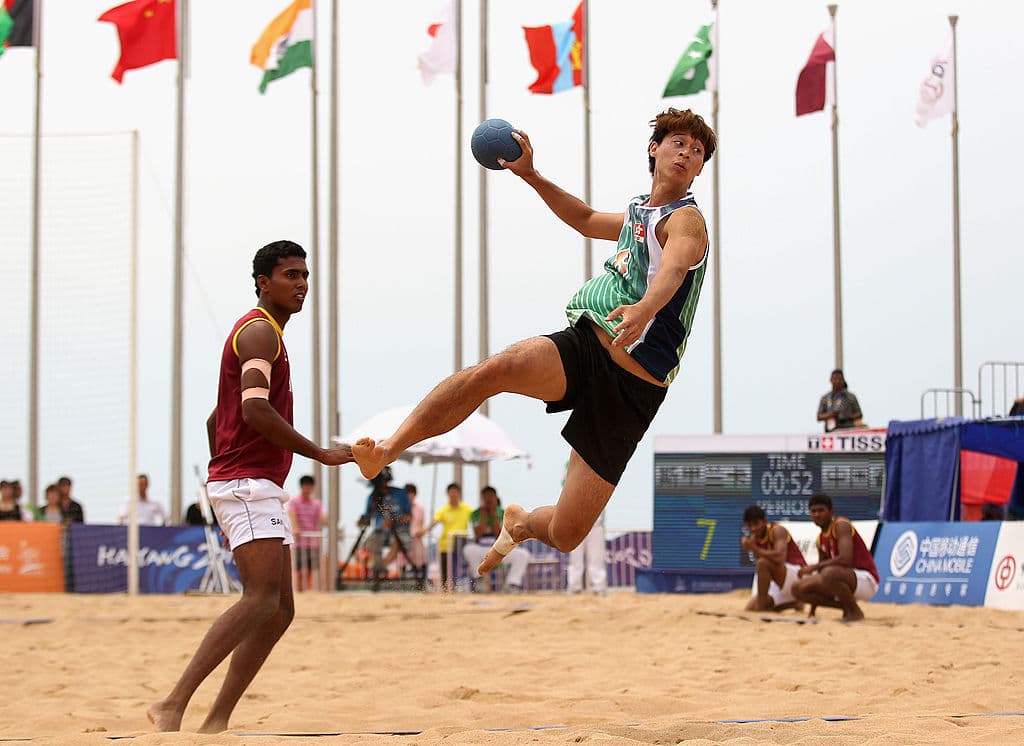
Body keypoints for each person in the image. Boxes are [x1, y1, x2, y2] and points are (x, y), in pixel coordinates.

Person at [352, 108, 715, 574]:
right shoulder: (638, 214)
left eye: (697, 150)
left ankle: (521, 524)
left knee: (566, 533)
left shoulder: (687, 222)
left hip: (634, 386)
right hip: (587, 344)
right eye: (678, 142)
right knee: (496, 368)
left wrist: (646, 308)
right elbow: (584, 218)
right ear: (655, 149)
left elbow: (673, 271)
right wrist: (531, 175)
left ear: (701, 167)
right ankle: (387, 449)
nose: (686, 152)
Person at [148, 239, 352, 733]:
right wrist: (321, 454)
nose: (301, 284)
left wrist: (225, 461)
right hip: (247, 483)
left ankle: (215, 721)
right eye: (291, 275)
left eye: (305, 276)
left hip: (249, 480)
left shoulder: (265, 334)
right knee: (260, 599)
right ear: (264, 282)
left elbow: (218, 416)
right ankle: (172, 703)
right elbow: (255, 410)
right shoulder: (260, 332)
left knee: (280, 610)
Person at [793, 493, 879, 622]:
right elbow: (820, 572)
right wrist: (812, 610)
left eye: (821, 510)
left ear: (831, 512)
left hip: (866, 579)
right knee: (798, 588)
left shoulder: (841, 525)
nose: (817, 514)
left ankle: (854, 611)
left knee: (829, 572)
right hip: (841, 579)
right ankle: (846, 606)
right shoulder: (820, 539)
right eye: (813, 511)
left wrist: (814, 567)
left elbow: (845, 559)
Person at [463, 486, 531, 593]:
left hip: (500, 550)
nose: (488, 500)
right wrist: (484, 516)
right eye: (486, 497)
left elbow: (499, 535)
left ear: (496, 497)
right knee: (469, 549)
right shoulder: (476, 513)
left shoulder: (505, 513)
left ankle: (512, 585)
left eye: (491, 496)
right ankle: (480, 580)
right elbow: (478, 535)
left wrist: (494, 515)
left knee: (523, 554)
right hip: (482, 549)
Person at [740, 505, 806, 612]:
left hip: (798, 575)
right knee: (750, 608)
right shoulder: (754, 539)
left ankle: (760, 611)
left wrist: (754, 548)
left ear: (765, 521)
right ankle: (793, 603)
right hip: (781, 579)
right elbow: (762, 570)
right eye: (749, 525)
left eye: (756, 524)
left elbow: (779, 558)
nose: (753, 528)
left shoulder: (777, 530)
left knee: (763, 563)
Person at [358, 467, 411, 583]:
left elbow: (408, 516)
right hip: (379, 531)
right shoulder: (373, 497)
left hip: (399, 530)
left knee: (397, 542)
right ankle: (379, 569)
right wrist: (362, 521)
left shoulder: (401, 493)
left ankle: (380, 568)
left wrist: (395, 520)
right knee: (370, 544)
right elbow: (367, 517)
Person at [417, 482, 473, 591]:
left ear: (459, 494)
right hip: (445, 545)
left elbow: (475, 519)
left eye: (455, 493)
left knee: (459, 569)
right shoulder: (444, 510)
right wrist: (423, 531)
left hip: (461, 545)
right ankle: (446, 591)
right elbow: (434, 522)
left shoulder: (467, 509)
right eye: (451, 494)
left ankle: (458, 588)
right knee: (445, 571)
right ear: (448, 494)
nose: (453, 496)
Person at [287, 475, 325, 592]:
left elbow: (323, 517)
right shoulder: (294, 502)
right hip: (299, 542)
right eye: (305, 486)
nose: (307, 488)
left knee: (310, 569)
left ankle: (308, 589)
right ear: (301, 487)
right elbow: (292, 514)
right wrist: (295, 527)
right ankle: (299, 590)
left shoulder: (316, 504)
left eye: (309, 486)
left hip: (313, 542)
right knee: (299, 569)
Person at [567, 512, 607, 596]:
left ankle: (599, 587)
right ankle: (574, 587)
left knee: (596, 557)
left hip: (596, 523)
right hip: (575, 524)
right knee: (575, 558)